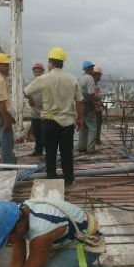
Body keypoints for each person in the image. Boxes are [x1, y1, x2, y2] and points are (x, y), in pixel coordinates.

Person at [24, 47, 83, 185]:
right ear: (62, 63)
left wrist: (34, 103)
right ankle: (69, 178)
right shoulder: (72, 79)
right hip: (67, 123)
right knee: (67, 152)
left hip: (49, 122)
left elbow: (26, 91)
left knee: (50, 152)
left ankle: (51, 178)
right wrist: (80, 119)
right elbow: (79, 101)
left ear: (50, 63)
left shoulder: (44, 78)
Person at [77, 60, 98, 154]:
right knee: (93, 128)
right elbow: (90, 94)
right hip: (88, 106)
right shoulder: (90, 78)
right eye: (92, 68)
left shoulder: (80, 78)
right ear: (89, 69)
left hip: (80, 106)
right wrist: (94, 106)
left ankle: (81, 147)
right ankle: (90, 149)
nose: (93, 69)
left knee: (83, 127)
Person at [28, 62, 45, 157]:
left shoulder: (46, 82)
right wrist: (30, 100)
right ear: (33, 72)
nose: (38, 73)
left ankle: (46, 150)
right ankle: (38, 150)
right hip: (35, 112)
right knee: (37, 133)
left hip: (44, 113)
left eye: (39, 71)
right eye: (36, 71)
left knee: (45, 134)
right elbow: (26, 92)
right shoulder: (31, 83)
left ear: (43, 72)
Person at [92, 66, 104, 145]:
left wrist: (101, 103)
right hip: (92, 109)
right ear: (95, 74)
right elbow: (91, 96)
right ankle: (92, 140)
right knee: (92, 125)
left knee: (99, 123)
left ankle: (97, 139)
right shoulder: (91, 84)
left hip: (98, 108)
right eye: (99, 75)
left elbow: (98, 97)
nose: (100, 77)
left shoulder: (98, 86)